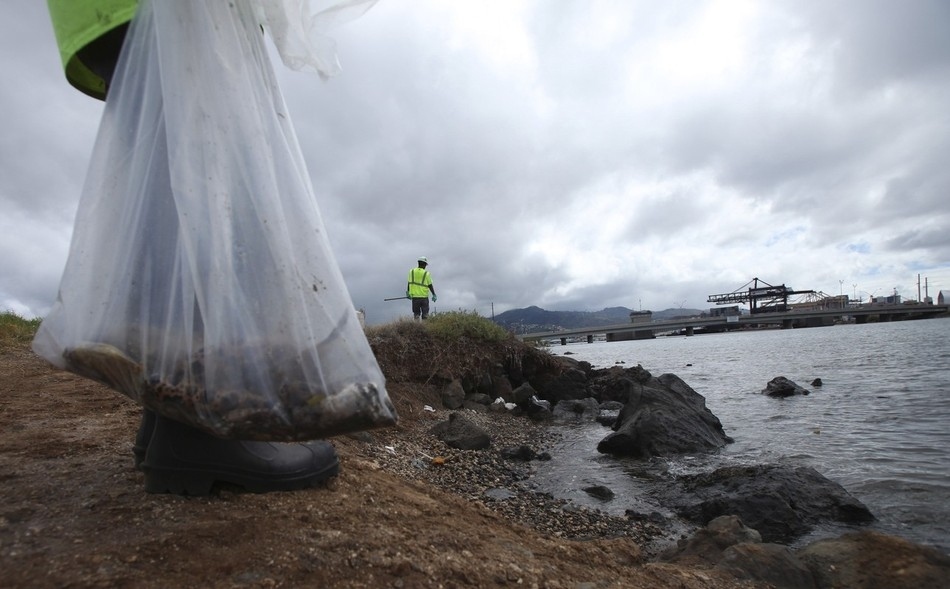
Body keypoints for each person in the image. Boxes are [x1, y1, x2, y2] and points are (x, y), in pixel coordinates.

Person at [44, 0, 343, 495]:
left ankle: (168, 417)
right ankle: (200, 429)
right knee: (210, 188)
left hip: (103, 14)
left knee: (166, 181)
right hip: (178, 11)